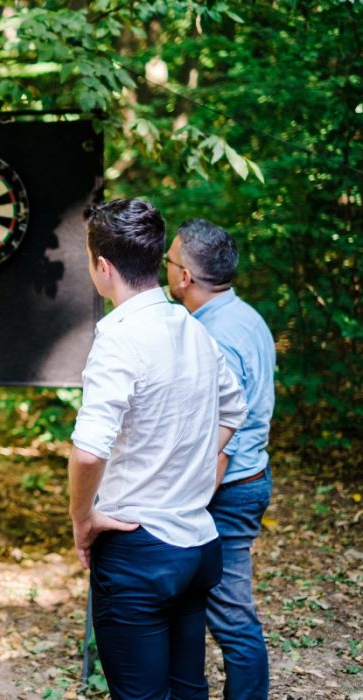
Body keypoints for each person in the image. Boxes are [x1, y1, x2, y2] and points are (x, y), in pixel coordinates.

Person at [67, 199, 247, 699]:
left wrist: (82, 518)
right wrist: (189, 471)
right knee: (188, 690)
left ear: (103, 267)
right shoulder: (193, 329)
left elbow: (87, 451)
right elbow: (236, 409)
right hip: (196, 545)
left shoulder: (119, 337)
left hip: (138, 550)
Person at [167, 218, 276, 699]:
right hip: (243, 480)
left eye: (168, 262)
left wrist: (190, 499)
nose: (165, 270)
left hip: (227, 489)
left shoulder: (216, 338)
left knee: (231, 614)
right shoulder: (243, 316)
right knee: (196, 602)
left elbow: (223, 436)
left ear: (185, 277)